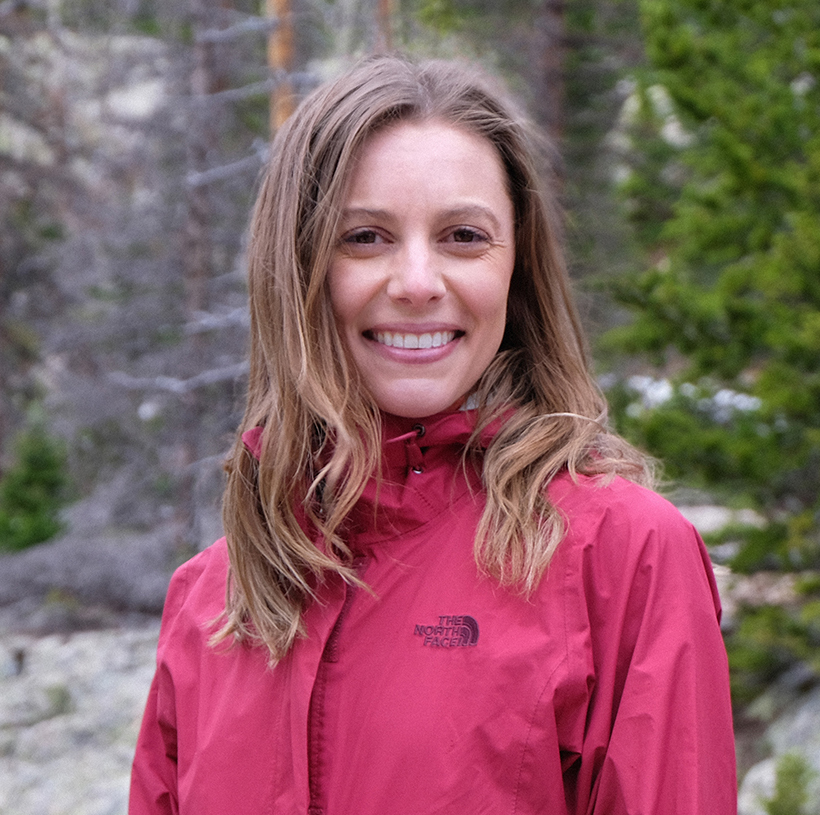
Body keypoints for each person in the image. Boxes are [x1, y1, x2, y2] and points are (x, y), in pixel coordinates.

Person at [129, 55, 737, 814]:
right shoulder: (211, 601)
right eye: (365, 237)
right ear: (296, 268)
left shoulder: (622, 556)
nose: (417, 281)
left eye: (462, 235)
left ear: (517, 269)